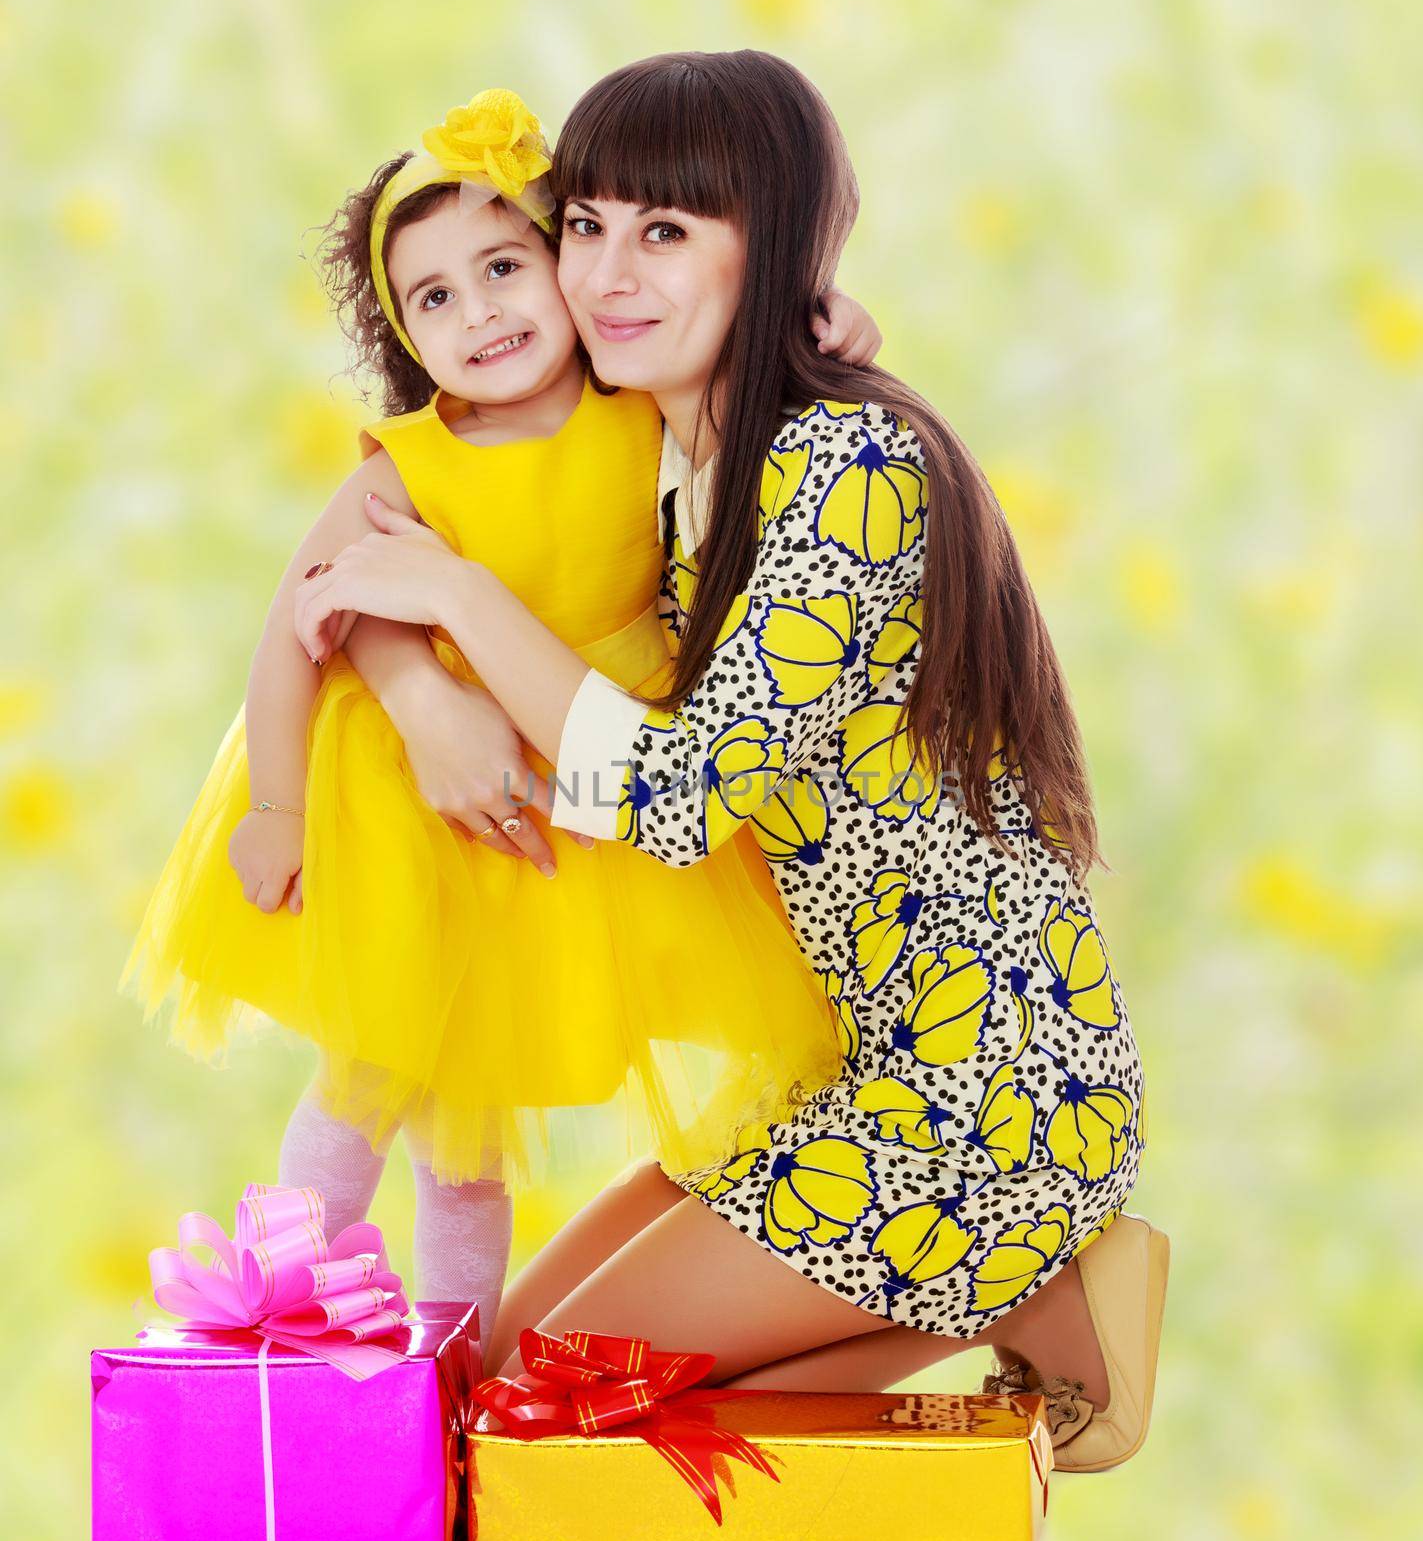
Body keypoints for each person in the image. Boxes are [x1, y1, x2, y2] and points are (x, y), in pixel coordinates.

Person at [293, 51, 1168, 1473]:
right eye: (584, 226)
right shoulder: (682, 454)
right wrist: (413, 689)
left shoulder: (851, 466)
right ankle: (1030, 1288)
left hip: (986, 1103)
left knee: (537, 1421)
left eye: (668, 233)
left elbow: (681, 800)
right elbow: (337, 572)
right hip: (858, 1086)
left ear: (769, 252)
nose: (604, 277)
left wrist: (456, 604)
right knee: (498, 1383)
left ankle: (1037, 1284)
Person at [119, 86, 880, 1354]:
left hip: (571, 793)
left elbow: (763, 376)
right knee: (372, 1071)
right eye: (434, 299)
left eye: (503, 268)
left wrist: (831, 322)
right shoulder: (413, 464)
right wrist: (276, 805)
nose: (479, 315)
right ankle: (265, 1322)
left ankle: (453, 1372)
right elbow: (296, 619)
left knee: (469, 1146)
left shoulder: (638, 411)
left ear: (566, 272)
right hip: (410, 812)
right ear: (403, 336)